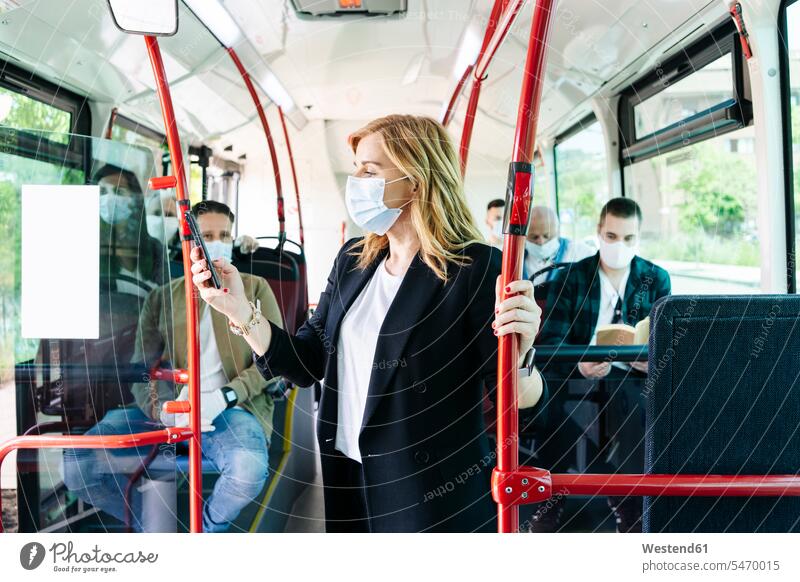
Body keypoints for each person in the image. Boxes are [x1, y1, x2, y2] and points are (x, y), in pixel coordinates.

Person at [190, 114, 547, 532]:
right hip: (347, 474)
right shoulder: (354, 260)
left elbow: (517, 398)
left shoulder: (476, 267)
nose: (354, 180)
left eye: (369, 170)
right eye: (356, 166)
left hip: (428, 491)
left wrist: (521, 356)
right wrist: (240, 311)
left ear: (415, 181)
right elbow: (308, 362)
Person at [63, 200, 284, 533]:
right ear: (190, 242)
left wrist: (225, 396)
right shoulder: (162, 299)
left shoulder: (254, 288)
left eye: (224, 234)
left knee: (248, 468)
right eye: (207, 235)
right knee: (75, 465)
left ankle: (207, 530)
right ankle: (145, 523)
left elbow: (274, 361)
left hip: (233, 409)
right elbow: (141, 368)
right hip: (171, 407)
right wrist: (162, 408)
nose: (217, 242)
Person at [534, 197, 670, 533]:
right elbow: (550, 341)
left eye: (628, 239)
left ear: (638, 239)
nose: (619, 246)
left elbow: (667, 342)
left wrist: (649, 362)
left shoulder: (656, 279)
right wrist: (580, 363)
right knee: (557, 410)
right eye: (611, 237)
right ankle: (550, 503)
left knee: (637, 413)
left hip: (632, 376)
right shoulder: (573, 278)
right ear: (598, 233)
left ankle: (629, 505)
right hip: (577, 372)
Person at [522, 205, 593, 285]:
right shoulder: (516, 260)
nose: (541, 242)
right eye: (534, 237)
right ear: (524, 237)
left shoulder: (580, 253)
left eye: (547, 236)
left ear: (557, 232)